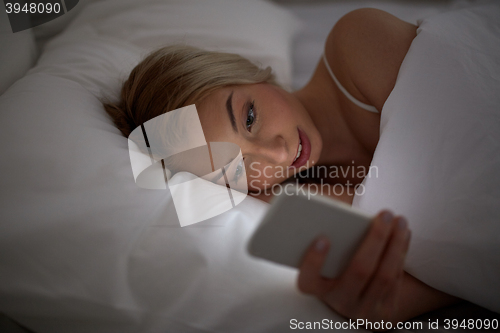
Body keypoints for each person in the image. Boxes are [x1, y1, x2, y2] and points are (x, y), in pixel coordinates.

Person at [102, 8, 459, 326]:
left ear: (250, 73)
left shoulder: (357, 47)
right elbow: (459, 274)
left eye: (250, 117)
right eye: (238, 169)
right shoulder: (297, 203)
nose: (275, 152)